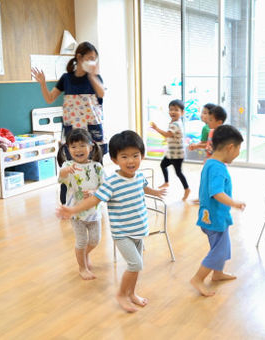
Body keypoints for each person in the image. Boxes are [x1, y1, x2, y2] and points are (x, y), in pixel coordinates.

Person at [57, 130, 166, 313]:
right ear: (115, 160)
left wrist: (155, 192)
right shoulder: (112, 182)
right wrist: (73, 209)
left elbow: (144, 187)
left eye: (135, 156)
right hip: (122, 232)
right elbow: (94, 200)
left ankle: (131, 293)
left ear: (142, 156)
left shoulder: (138, 176)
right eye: (124, 157)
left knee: (136, 265)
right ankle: (121, 295)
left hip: (138, 230)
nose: (130, 161)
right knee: (135, 264)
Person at [32, 41, 106, 204]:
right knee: (68, 163)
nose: (93, 62)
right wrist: (43, 84)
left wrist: (92, 76)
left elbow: (101, 93)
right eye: (90, 58)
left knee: (96, 163)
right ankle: (66, 200)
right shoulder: (66, 79)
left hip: (92, 127)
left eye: (95, 59)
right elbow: (50, 98)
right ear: (79, 58)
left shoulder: (94, 78)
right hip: (72, 129)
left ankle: (97, 197)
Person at [190, 125, 246, 297]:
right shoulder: (218, 168)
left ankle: (217, 273)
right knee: (219, 250)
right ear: (230, 147)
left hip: (213, 215)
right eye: (238, 149)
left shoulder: (211, 163)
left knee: (222, 246)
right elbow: (216, 192)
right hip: (214, 218)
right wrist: (234, 203)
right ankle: (198, 279)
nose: (238, 153)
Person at [58, 129, 104, 280]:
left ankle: (84, 255)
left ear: (90, 147)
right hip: (76, 214)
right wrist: (65, 171)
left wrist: (94, 191)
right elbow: (61, 177)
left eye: (82, 145)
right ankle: (82, 267)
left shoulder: (97, 167)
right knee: (82, 241)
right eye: (73, 146)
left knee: (95, 240)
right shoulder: (68, 165)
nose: (78, 150)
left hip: (94, 212)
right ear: (68, 149)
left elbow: (104, 187)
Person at [150, 99, 191, 200]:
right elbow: (171, 136)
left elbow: (167, 134)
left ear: (182, 112)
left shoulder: (175, 124)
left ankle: (187, 189)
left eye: (176, 110)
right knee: (163, 165)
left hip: (177, 155)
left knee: (178, 172)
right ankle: (166, 182)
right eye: (171, 109)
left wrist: (156, 128)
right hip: (171, 153)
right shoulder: (175, 122)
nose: (173, 112)